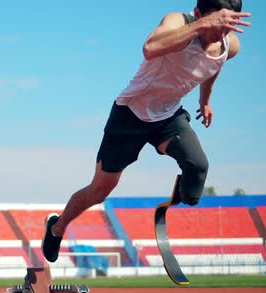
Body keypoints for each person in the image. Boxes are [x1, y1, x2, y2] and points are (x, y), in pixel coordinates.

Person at [42, 0, 251, 263]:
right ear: (198, 13)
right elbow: (150, 48)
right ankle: (57, 227)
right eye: (215, 25)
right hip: (130, 114)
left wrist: (205, 100)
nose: (220, 34)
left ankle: (178, 196)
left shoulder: (230, 46)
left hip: (167, 116)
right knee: (100, 190)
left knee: (198, 168)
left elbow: (213, 67)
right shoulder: (179, 21)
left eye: (227, 27)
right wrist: (201, 26)